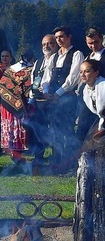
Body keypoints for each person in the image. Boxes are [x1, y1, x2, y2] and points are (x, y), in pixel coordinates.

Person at [48, 25, 84, 171]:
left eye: (62, 36)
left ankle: (69, 163)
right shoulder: (54, 56)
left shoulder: (77, 54)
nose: (59, 40)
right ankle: (56, 162)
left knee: (68, 131)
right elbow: (47, 77)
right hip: (53, 100)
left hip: (68, 99)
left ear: (69, 37)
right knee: (55, 132)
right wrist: (46, 92)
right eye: (56, 38)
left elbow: (73, 78)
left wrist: (58, 93)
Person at [27, 34, 58, 171]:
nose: (46, 46)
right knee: (38, 130)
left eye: (50, 43)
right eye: (44, 44)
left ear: (56, 44)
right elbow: (34, 80)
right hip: (39, 102)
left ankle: (57, 159)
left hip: (54, 101)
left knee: (55, 131)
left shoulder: (58, 60)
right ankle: (38, 157)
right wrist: (32, 94)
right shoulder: (38, 62)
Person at [0, 53, 34, 166]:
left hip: (24, 104)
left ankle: (20, 149)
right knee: (11, 127)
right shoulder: (12, 69)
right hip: (8, 104)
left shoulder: (33, 68)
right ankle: (12, 150)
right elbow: (2, 85)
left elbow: (30, 85)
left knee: (20, 126)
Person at [76, 27, 105, 141]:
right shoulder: (88, 57)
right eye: (90, 43)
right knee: (82, 132)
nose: (93, 46)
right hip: (88, 101)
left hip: (103, 99)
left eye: (96, 42)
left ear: (102, 39)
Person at [80, 59, 105, 138]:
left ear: (96, 73)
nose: (82, 75)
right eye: (81, 72)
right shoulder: (85, 90)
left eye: (87, 71)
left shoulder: (103, 86)